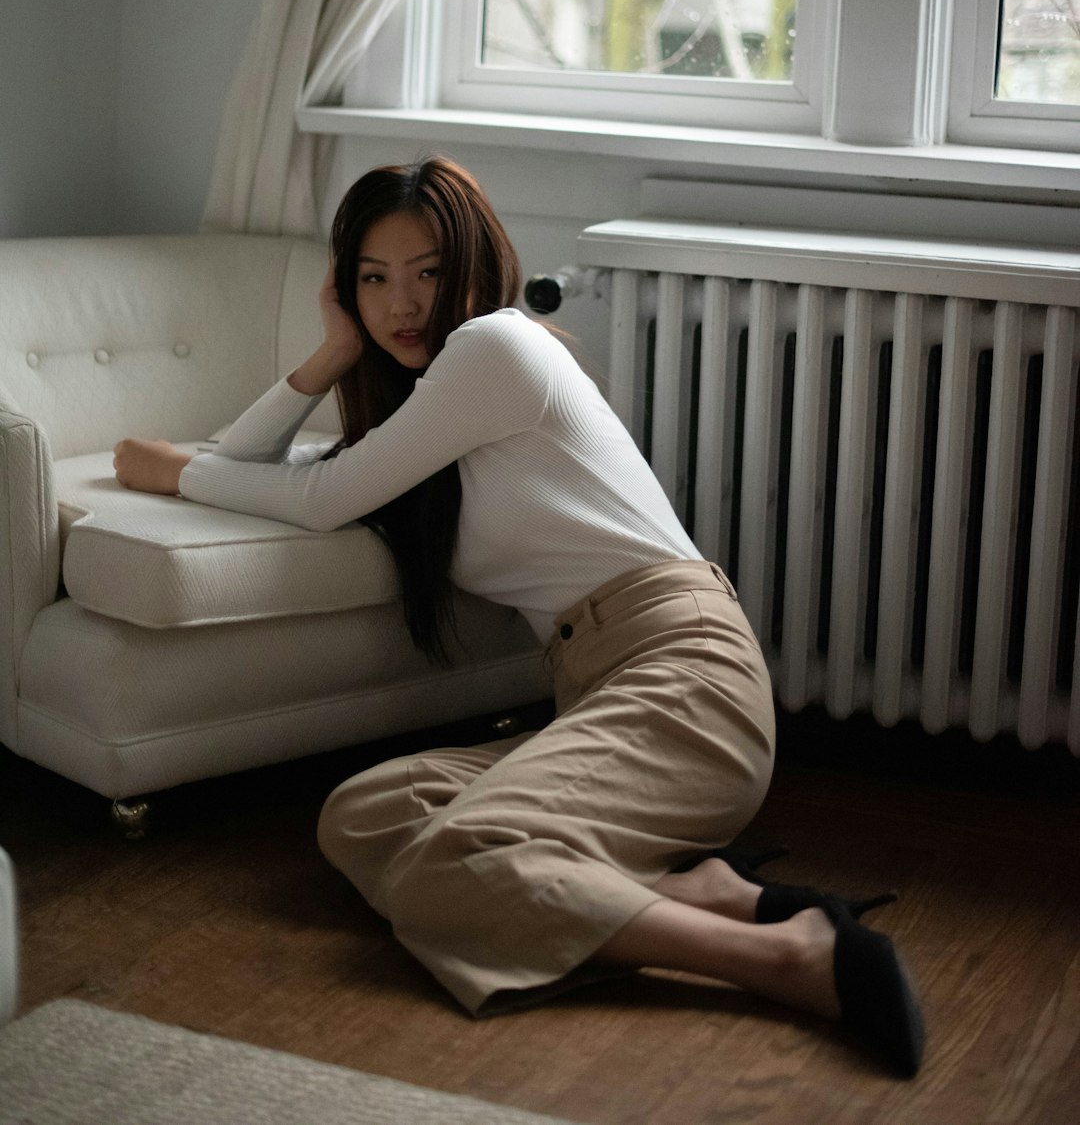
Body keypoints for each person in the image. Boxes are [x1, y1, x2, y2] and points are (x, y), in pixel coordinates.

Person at [113, 156, 923, 1077]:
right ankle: (703, 893)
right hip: (603, 691)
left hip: (686, 682)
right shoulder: (424, 408)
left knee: (447, 860)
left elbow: (320, 498)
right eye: (373, 280)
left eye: (424, 271)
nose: (400, 303)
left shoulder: (498, 347)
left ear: (473, 261)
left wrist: (173, 470)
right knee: (364, 815)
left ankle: (788, 956)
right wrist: (334, 349)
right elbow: (258, 461)